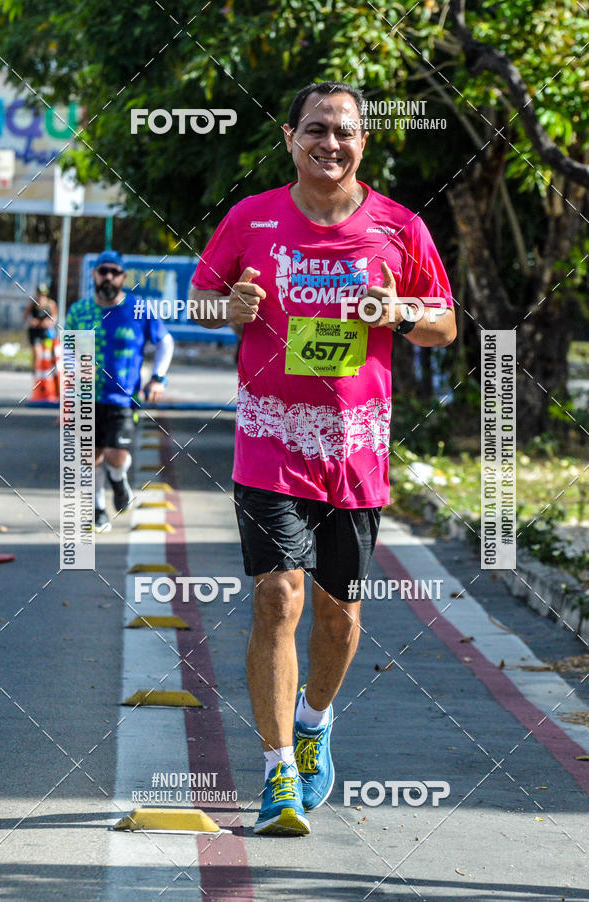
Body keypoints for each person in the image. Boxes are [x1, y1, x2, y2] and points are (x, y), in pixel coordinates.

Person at [190, 81, 457, 836]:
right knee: (279, 598)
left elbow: (444, 325)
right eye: (315, 130)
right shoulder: (252, 219)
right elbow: (201, 298)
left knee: (339, 619)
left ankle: (313, 723)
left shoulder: (399, 228)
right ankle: (277, 774)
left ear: (363, 143)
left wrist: (401, 314)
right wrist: (228, 309)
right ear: (289, 137)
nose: (328, 143)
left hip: (355, 449)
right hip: (270, 440)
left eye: (343, 132)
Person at [65, 250, 174, 532]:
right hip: (86, 397)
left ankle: (118, 478)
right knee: (90, 455)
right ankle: (99, 509)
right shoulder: (79, 311)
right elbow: (68, 355)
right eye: (103, 271)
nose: (108, 277)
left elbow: (166, 343)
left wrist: (158, 378)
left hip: (123, 398)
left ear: (123, 277)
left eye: (114, 272)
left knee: (117, 454)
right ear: (94, 274)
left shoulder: (138, 309)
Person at [24, 283, 58, 376]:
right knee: (37, 353)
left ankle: (50, 373)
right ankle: (36, 373)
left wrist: (49, 322)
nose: (41, 296)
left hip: (46, 332)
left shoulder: (51, 304)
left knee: (49, 352)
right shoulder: (33, 304)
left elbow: (54, 317)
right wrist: (32, 321)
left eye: (43, 294)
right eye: (40, 294)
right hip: (35, 332)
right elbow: (26, 317)